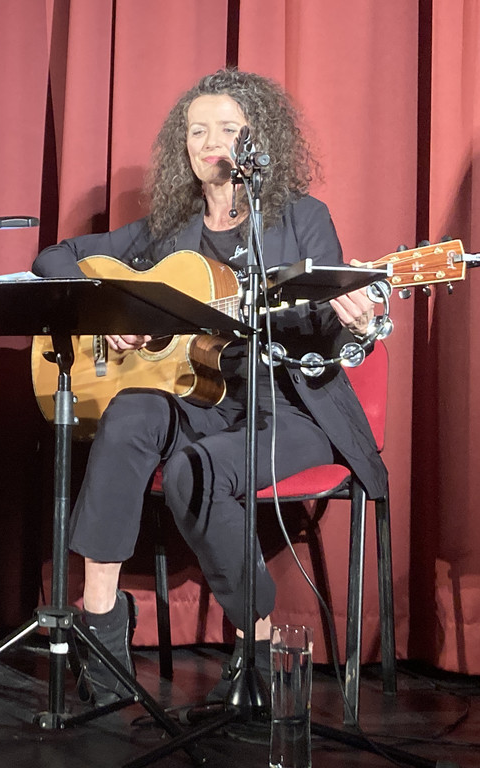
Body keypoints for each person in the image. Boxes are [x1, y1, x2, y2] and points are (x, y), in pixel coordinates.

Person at [32, 69, 388, 705]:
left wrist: (353, 316)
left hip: (290, 408)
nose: (208, 142)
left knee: (195, 472)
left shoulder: (302, 218)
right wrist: (113, 317)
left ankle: (258, 642)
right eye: (196, 131)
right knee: (130, 413)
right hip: (207, 400)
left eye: (226, 129)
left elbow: (324, 328)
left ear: (258, 139)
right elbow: (54, 258)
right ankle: (101, 626)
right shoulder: (169, 230)